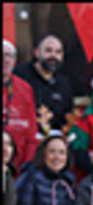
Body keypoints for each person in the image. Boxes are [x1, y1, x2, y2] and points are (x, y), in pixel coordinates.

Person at [13, 35, 75, 133]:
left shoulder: (64, 84)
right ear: (37, 53)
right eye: (48, 51)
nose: (53, 56)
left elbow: (67, 117)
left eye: (58, 52)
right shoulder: (21, 74)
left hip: (54, 139)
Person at [3, 39, 39, 170]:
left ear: (14, 61)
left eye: (9, 56)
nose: (5, 60)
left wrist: (26, 166)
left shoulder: (25, 89)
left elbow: (31, 133)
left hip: (19, 164)